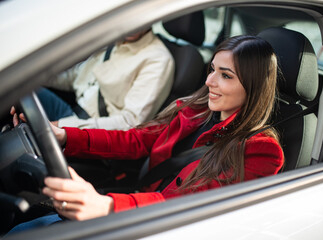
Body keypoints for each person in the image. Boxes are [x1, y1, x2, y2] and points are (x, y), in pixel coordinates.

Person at [8, 35, 284, 233]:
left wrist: (107, 207)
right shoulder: (194, 109)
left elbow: (189, 206)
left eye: (225, 75)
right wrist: (66, 136)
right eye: (212, 69)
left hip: (158, 225)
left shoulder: (260, 150)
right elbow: (136, 140)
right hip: (136, 204)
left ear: (253, 86)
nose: (209, 80)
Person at [38, 27, 175, 130]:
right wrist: (36, 78)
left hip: (88, 131)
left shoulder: (157, 59)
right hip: (71, 111)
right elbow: (74, 77)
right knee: (22, 90)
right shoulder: (112, 40)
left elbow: (129, 123)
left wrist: (62, 126)